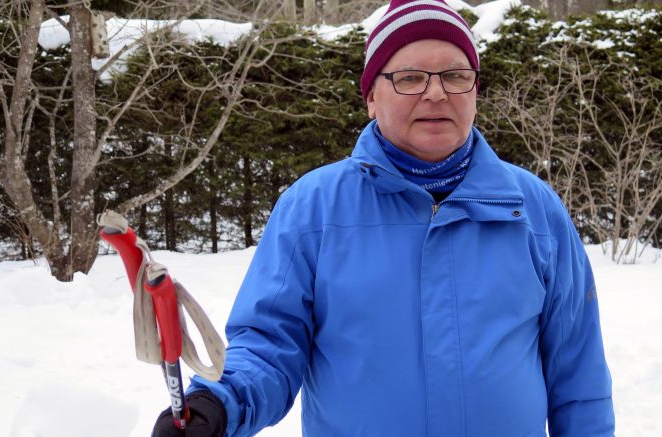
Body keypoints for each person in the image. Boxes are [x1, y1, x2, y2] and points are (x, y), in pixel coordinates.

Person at [152, 0, 614, 436]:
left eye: (455, 76)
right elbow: (269, 346)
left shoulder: (533, 209)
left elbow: (578, 375)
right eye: (410, 78)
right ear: (371, 97)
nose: (436, 93)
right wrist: (219, 404)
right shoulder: (313, 208)